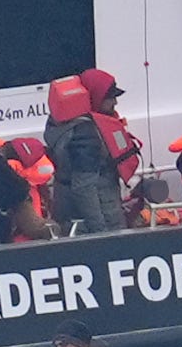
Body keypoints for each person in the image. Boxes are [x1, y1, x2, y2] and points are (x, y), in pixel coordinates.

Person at [45, 67, 142, 234]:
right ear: (95, 97)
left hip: (70, 215)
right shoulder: (85, 135)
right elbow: (84, 187)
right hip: (97, 221)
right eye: (111, 98)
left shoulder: (62, 125)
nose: (115, 103)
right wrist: (100, 231)